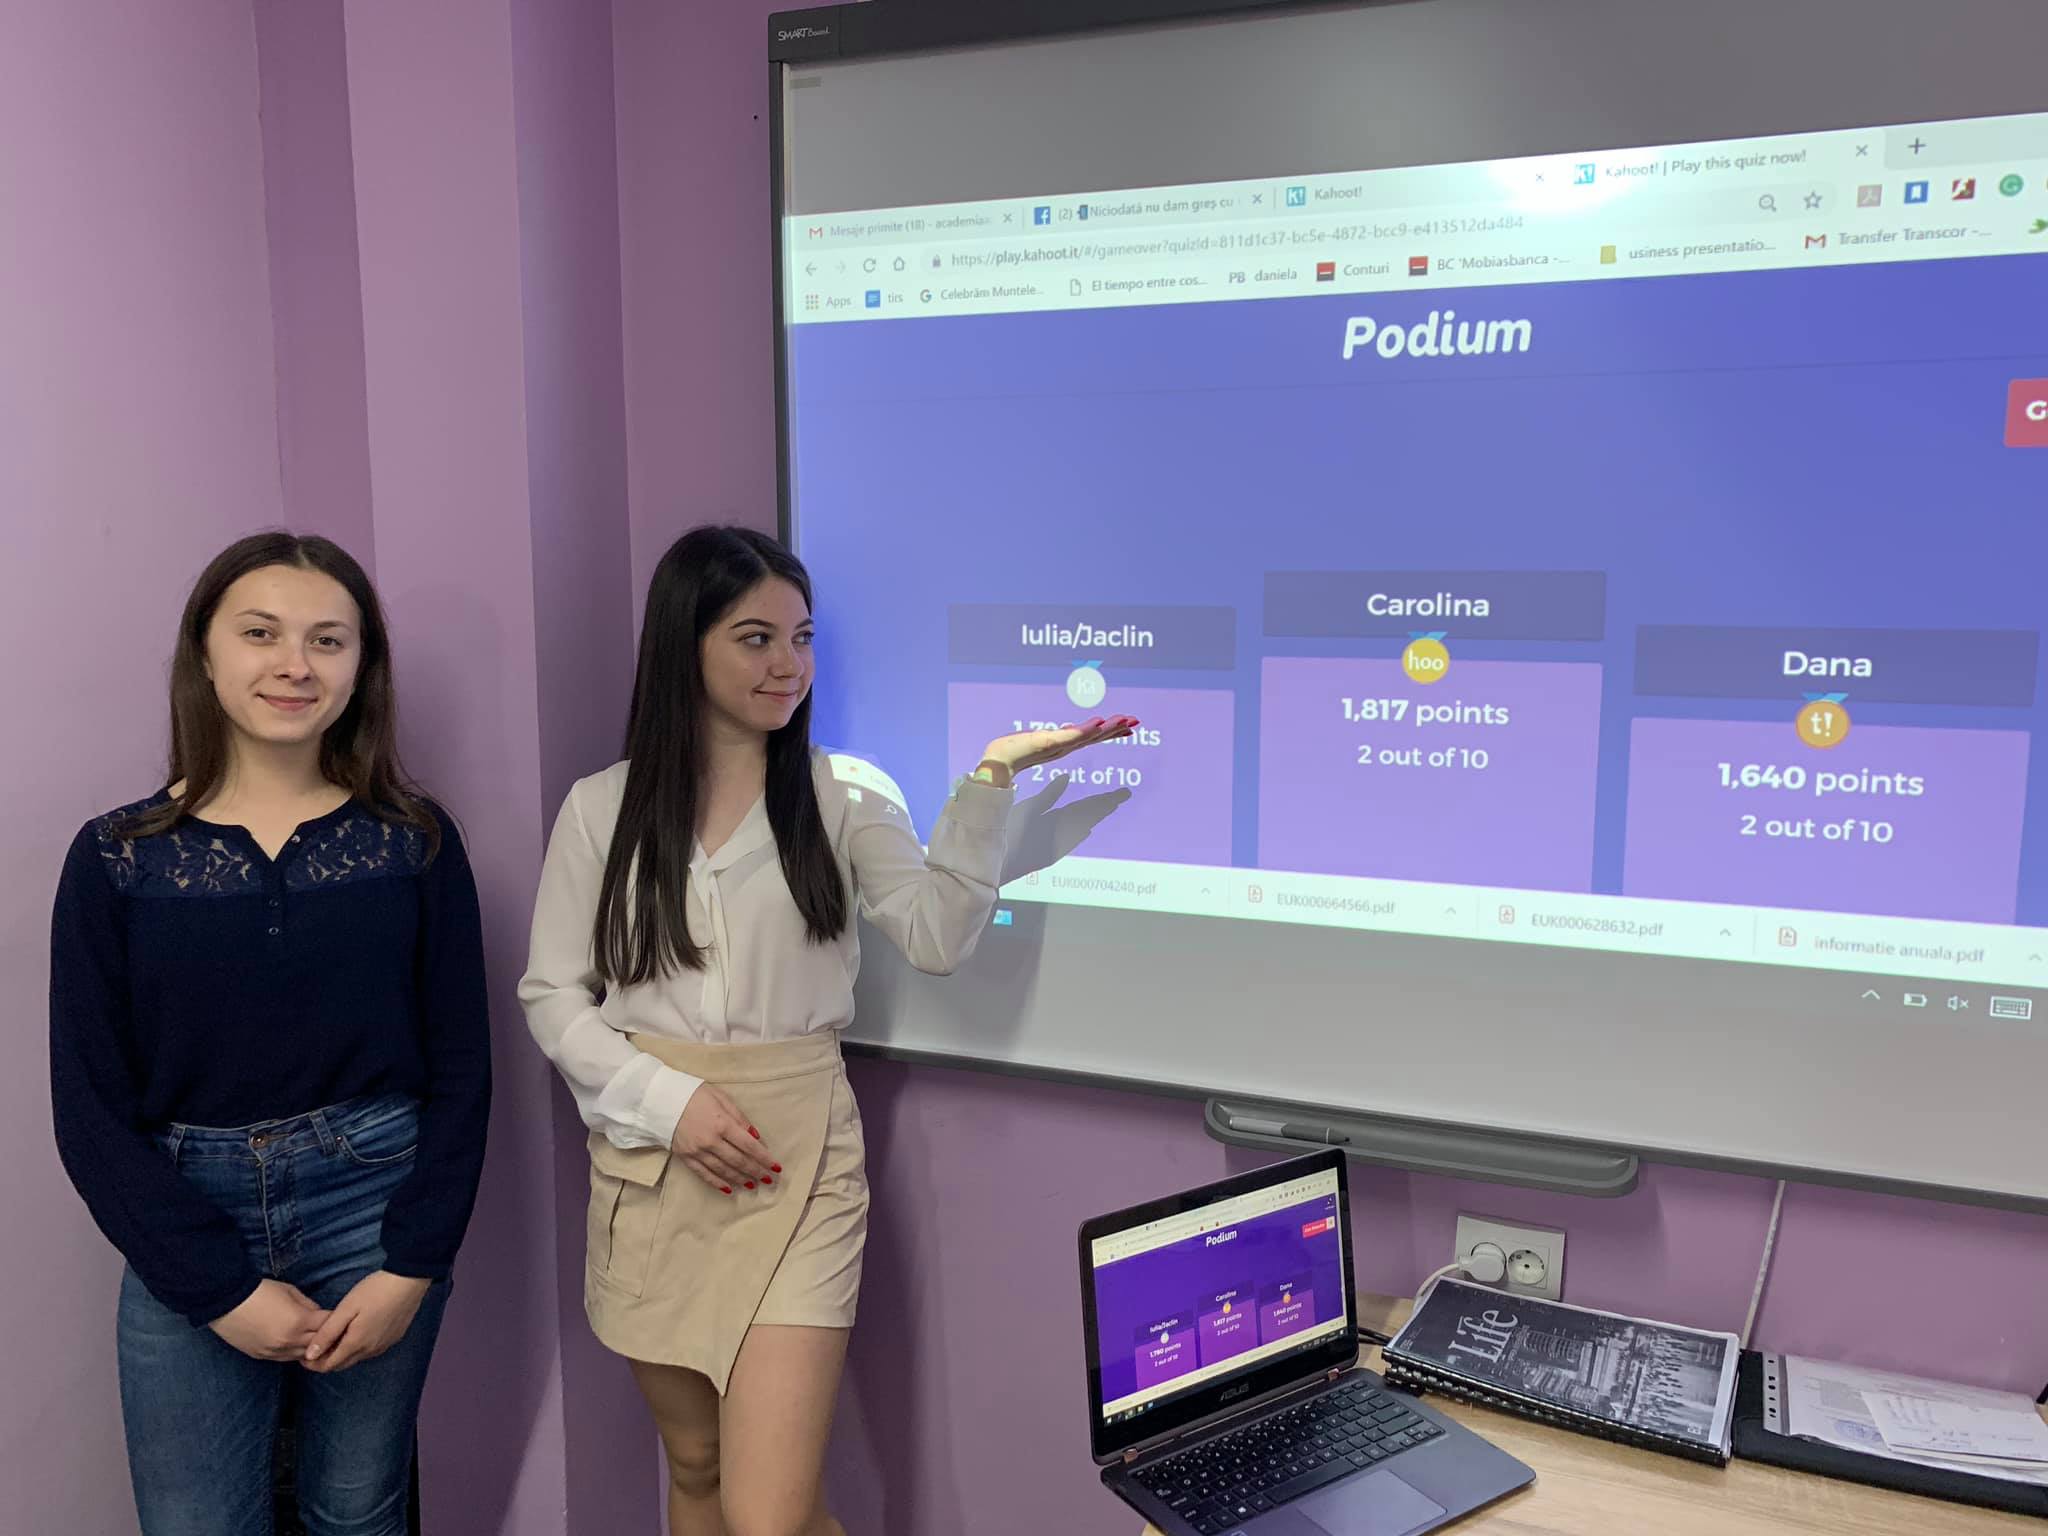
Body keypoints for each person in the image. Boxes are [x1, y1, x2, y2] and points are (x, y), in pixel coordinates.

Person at [521, 526, 1133, 1536]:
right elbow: (553, 994)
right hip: (652, 1163)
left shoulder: (844, 793)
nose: (788, 665)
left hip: (797, 1163)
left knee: (768, 1514)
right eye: (755, 638)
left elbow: (936, 936)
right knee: (696, 1465)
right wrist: (669, 1106)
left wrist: (991, 778)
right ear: (684, 644)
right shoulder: (601, 809)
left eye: (801, 638)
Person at [49, 532, 492, 1536]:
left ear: (360, 667)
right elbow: (88, 1108)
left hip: (375, 1208)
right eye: (261, 633)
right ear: (204, 653)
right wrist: (218, 1289)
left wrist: (412, 1264)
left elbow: (463, 1069)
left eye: (327, 640)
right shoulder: (116, 857)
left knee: (357, 1512)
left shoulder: (413, 842)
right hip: (184, 1211)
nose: (295, 664)